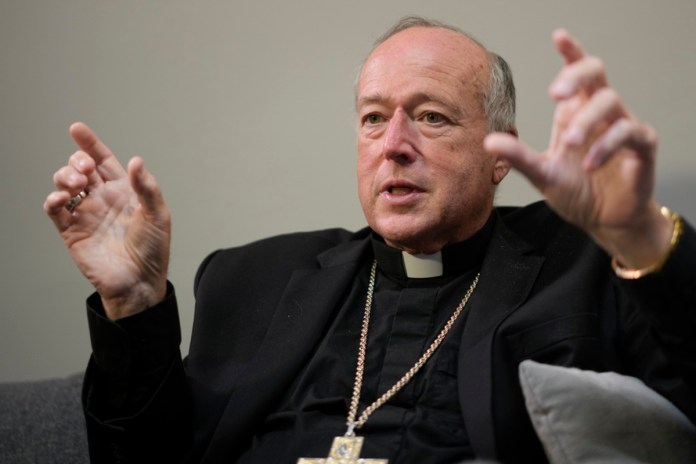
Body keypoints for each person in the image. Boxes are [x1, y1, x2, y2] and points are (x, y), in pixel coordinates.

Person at [44, 16, 696, 464]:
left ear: (501, 155)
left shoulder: (585, 258)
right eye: (374, 118)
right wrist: (133, 303)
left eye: (432, 117)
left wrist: (640, 237)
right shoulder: (251, 281)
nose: (394, 146)